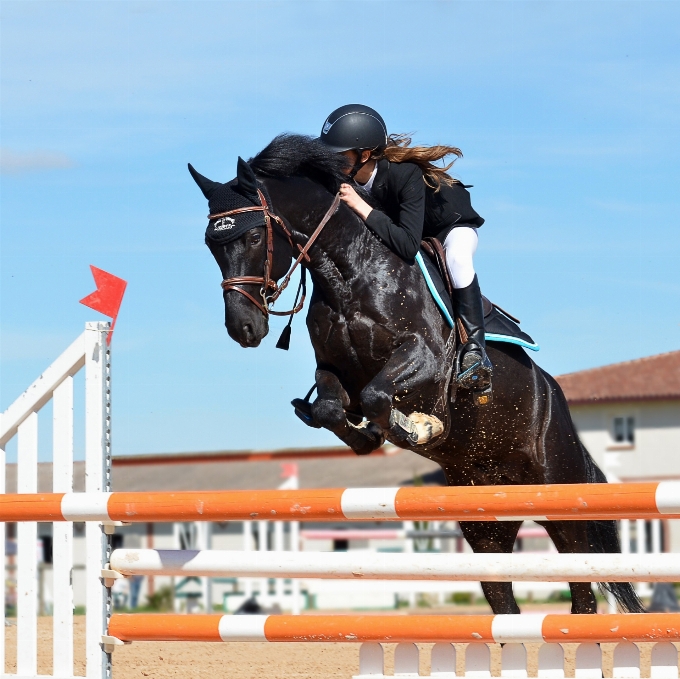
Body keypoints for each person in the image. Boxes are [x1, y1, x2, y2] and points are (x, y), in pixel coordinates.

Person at [319, 104, 492, 398]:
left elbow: (407, 245)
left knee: (457, 260)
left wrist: (361, 206)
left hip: (449, 228)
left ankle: (475, 352)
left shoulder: (405, 173)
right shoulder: (349, 179)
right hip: (406, 229)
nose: (333, 162)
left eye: (340, 156)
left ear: (365, 154)